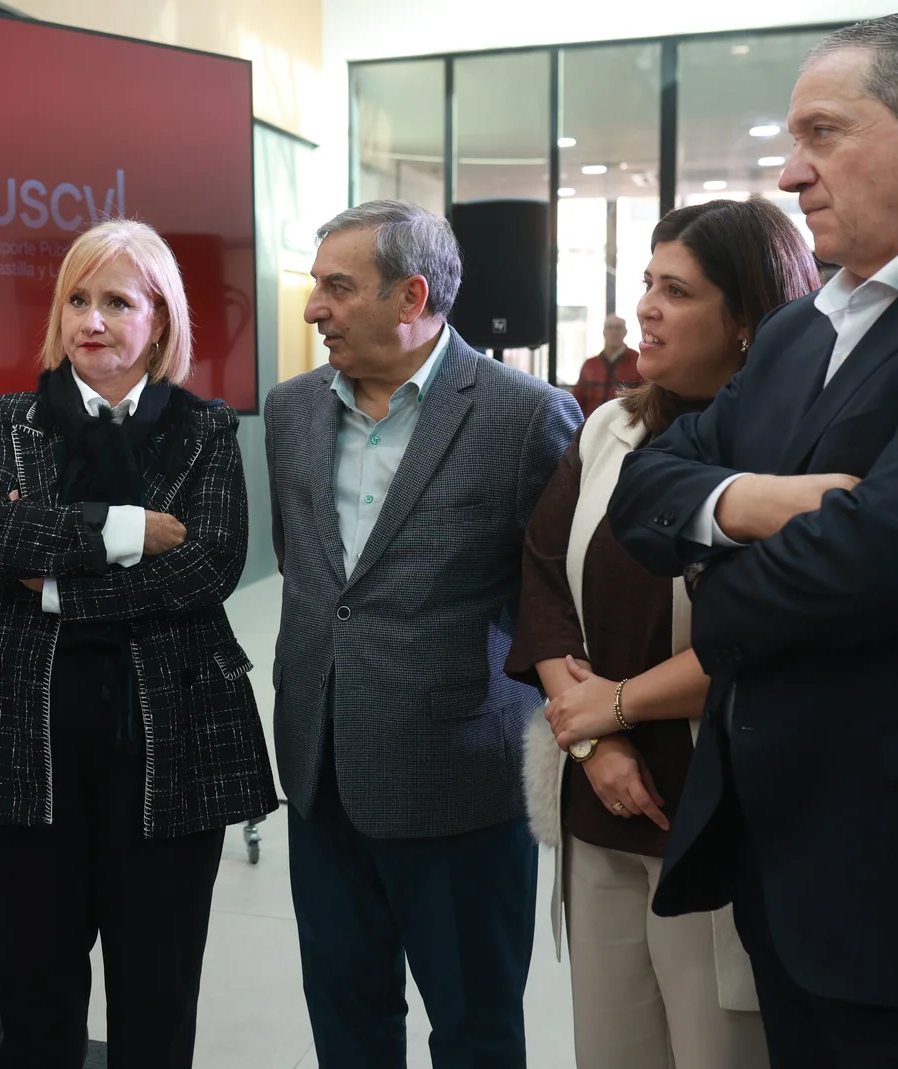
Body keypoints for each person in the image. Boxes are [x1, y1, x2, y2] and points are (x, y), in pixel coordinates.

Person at [610, 14, 898, 1065]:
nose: (790, 172)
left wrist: (713, 603)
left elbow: (884, 551)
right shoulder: (801, 331)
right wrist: (758, 502)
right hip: (782, 860)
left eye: (822, 134)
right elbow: (646, 490)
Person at [0, 219, 278, 1068]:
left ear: (159, 320)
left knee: (156, 999)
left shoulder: (206, 431)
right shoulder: (13, 418)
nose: (91, 321)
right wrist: (128, 527)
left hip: (170, 747)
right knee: (35, 995)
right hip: (26, 742)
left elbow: (209, 565)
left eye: (117, 302)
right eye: (77, 301)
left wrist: (53, 582)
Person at [267, 199, 580, 1068]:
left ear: (411, 297)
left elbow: (556, 601)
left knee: (475, 1030)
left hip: (458, 782)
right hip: (320, 769)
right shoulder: (291, 411)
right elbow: (313, 575)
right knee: (346, 1021)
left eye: (336, 287)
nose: (311, 309)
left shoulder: (526, 416)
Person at [508, 198, 818, 1069]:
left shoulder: (787, 457)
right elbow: (539, 574)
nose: (644, 305)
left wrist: (613, 705)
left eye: (675, 290)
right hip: (599, 801)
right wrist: (591, 740)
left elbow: (771, 629)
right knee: (612, 1049)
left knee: (719, 1047)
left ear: (750, 321)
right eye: (646, 281)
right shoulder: (613, 429)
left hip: (715, 805)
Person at [570, 314, 643, 416]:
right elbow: (577, 399)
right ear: (604, 332)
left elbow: (646, 397)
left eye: (618, 327)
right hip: (592, 423)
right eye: (610, 327)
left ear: (625, 332)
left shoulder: (638, 361)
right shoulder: (590, 365)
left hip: (627, 424)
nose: (614, 332)